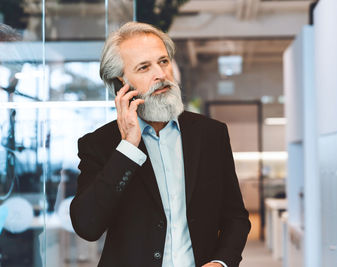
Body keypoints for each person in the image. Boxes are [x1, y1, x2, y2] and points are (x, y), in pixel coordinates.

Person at [70, 22, 250, 267]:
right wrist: (128, 148)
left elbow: (235, 217)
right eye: (144, 67)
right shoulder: (100, 144)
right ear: (121, 81)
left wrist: (222, 262)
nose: (161, 74)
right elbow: (87, 226)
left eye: (163, 61)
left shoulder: (211, 134)